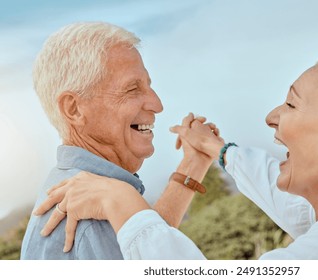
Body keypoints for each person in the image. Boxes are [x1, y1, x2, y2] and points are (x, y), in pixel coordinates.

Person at [35, 53, 318, 259]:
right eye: (132, 89)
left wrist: (119, 201)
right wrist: (214, 151)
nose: (271, 117)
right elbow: (275, 188)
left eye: (292, 105)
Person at [22, 22, 217, 259]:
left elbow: (146, 245)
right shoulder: (89, 215)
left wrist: (194, 162)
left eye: (148, 86)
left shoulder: (91, 193)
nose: (157, 105)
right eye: (133, 89)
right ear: (74, 109)